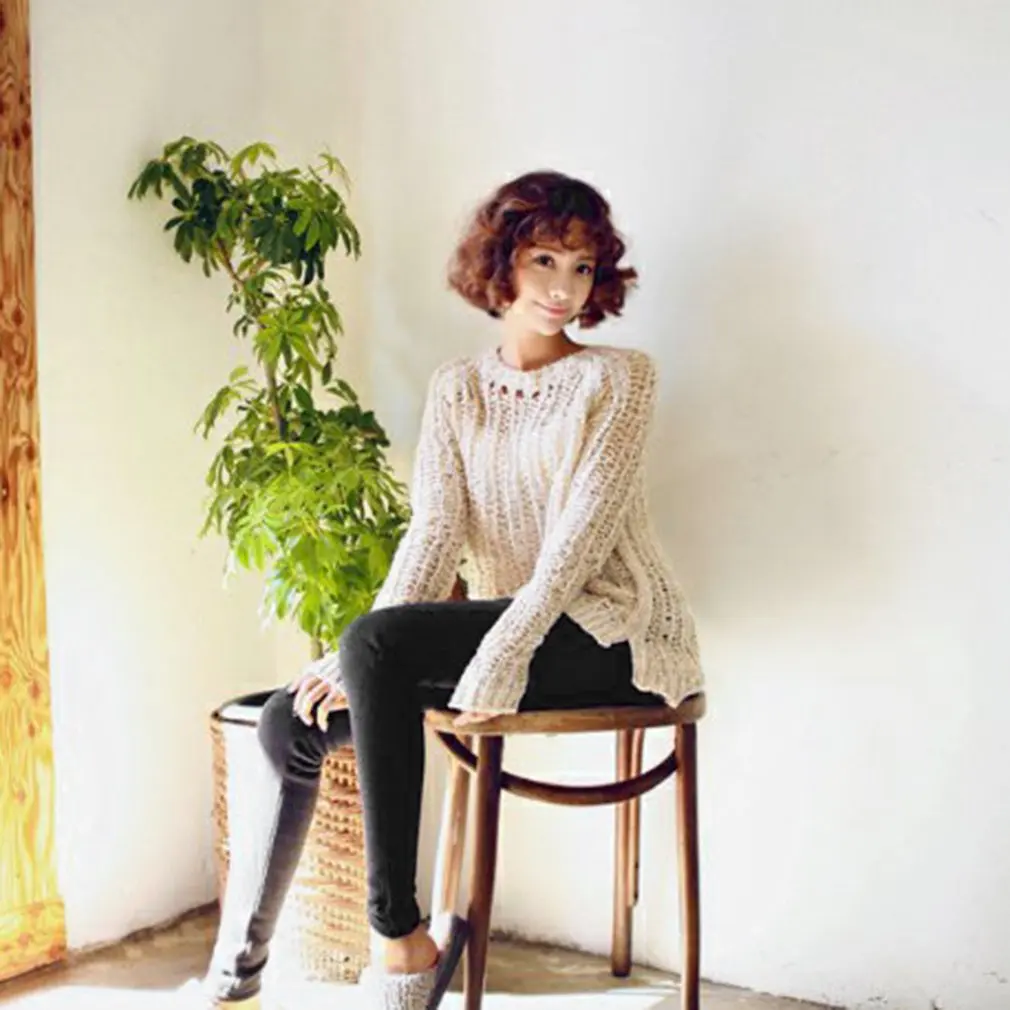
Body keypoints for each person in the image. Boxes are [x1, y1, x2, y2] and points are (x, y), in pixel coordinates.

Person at [183, 169, 703, 1009]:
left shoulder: (618, 378)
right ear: (502, 263)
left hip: (610, 636)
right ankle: (237, 973)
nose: (563, 288)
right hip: (508, 634)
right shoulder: (458, 388)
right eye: (543, 260)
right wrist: (348, 663)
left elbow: (578, 547)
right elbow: (432, 535)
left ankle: (399, 941)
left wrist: (488, 650)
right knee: (288, 718)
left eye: (581, 267)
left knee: (375, 643)